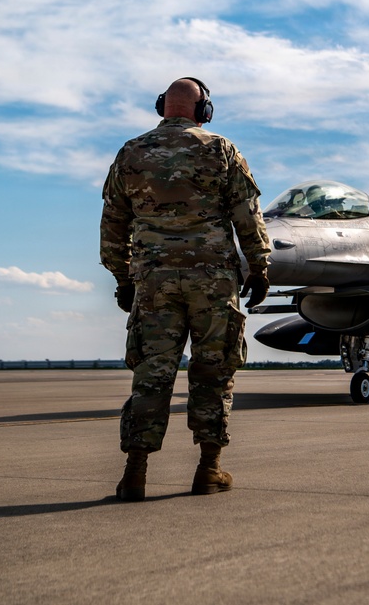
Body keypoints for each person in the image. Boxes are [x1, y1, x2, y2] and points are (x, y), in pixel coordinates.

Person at [100, 77, 271, 502]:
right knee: (213, 372)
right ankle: (209, 469)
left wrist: (123, 278)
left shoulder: (131, 153)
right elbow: (246, 215)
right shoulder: (220, 150)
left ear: (163, 107)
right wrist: (260, 267)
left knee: (151, 376)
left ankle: (135, 474)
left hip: (154, 283)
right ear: (203, 110)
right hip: (213, 283)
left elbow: (112, 224)